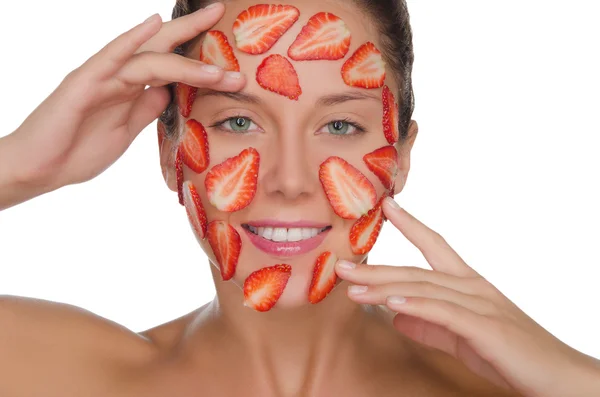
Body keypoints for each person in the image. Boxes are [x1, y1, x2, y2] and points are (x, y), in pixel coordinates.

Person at [0, 1, 599, 396]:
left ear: (402, 154)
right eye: (238, 122)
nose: (289, 180)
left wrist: (575, 377)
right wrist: (20, 166)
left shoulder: (516, 387)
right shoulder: (67, 375)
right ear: (169, 152)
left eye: (339, 127)